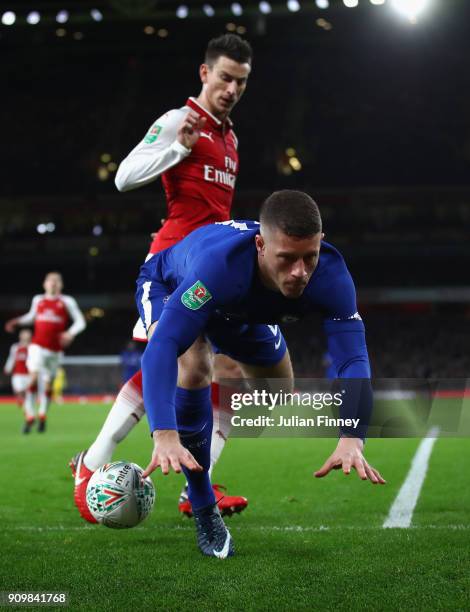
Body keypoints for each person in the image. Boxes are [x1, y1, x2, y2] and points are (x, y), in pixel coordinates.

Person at [136, 190, 386, 558]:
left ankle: (203, 439)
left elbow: (352, 358)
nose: (300, 272)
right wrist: (164, 431)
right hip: (173, 287)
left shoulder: (332, 274)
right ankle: (203, 505)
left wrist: (353, 436)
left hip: (242, 308)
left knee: (278, 393)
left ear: (322, 243)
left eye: (309, 257)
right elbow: (163, 346)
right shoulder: (220, 267)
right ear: (260, 246)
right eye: (286, 259)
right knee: (194, 367)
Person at [70, 33, 253, 523]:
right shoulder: (181, 121)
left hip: (213, 270)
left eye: (240, 81)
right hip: (174, 265)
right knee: (177, 364)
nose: (231, 88)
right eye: (224, 77)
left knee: (231, 375)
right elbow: (124, 176)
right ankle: (92, 462)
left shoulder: (232, 138)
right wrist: (178, 150)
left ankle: (197, 484)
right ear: (204, 73)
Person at [5, 272, 86, 432]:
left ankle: (42, 415)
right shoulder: (38, 300)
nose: (53, 283)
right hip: (37, 347)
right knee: (34, 377)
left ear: (61, 285)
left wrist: (70, 333)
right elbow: (31, 316)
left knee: (48, 384)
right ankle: (29, 414)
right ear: (45, 284)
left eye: (57, 281)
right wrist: (17, 321)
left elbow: (80, 321)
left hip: (55, 351)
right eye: (50, 281)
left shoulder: (66, 301)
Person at [3, 328, 33, 433]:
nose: (26, 336)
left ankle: (29, 417)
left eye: (28, 334)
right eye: (24, 334)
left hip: (29, 376)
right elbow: (12, 358)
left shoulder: (32, 348)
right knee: (20, 392)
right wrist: (7, 368)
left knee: (27, 398)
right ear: (20, 336)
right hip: (18, 375)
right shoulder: (15, 347)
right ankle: (28, 414)